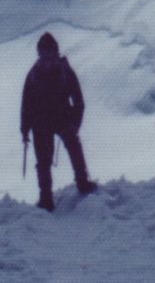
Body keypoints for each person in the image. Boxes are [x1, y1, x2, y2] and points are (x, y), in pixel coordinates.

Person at [20, 32, 98, 211]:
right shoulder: (35, 75)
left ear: (55, 53)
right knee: (44, 160)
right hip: (41, 122)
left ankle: (82, 182)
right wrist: (25, 129)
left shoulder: (62, 71)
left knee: (73, 147)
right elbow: (27, 104)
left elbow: (78, 100)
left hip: (62, 117)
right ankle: (46, 198)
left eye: (49, 54)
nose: (46, 59)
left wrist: (75, 125)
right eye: (43, 54)